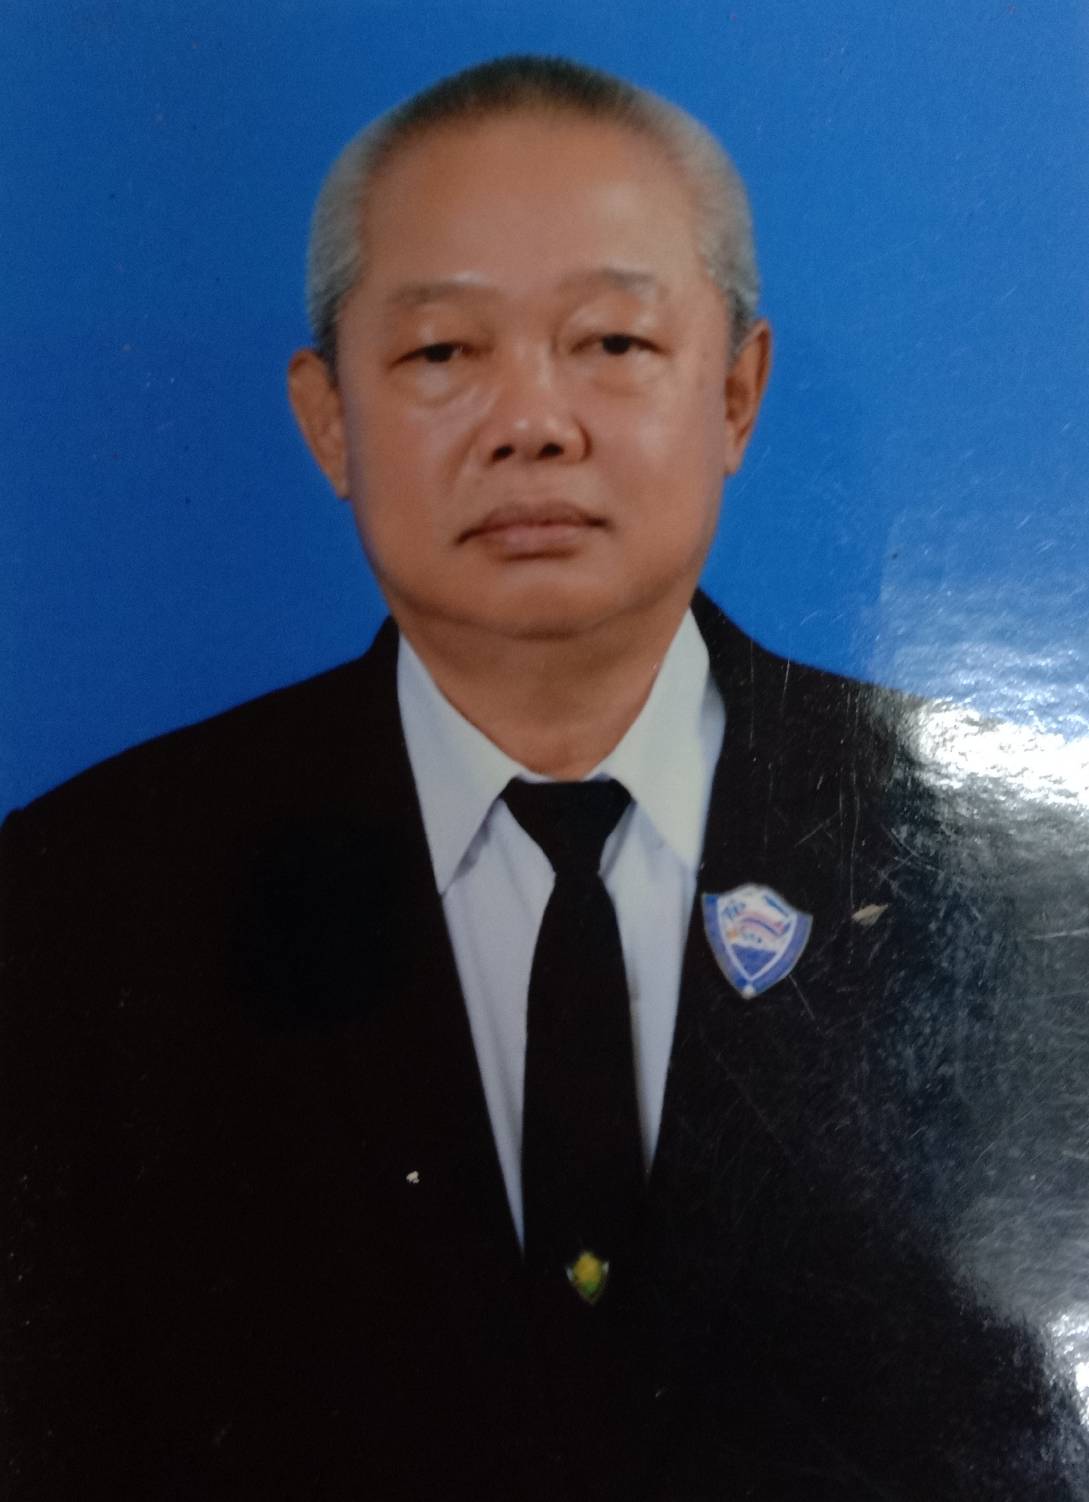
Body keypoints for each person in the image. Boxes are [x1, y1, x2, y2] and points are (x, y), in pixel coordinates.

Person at [3, 55, 1088, 1501]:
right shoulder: (74, 906)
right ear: (328, 419)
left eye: (612, 343)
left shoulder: (1028, 887)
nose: (532, 422)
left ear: (737, 393)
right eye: (442, 353)